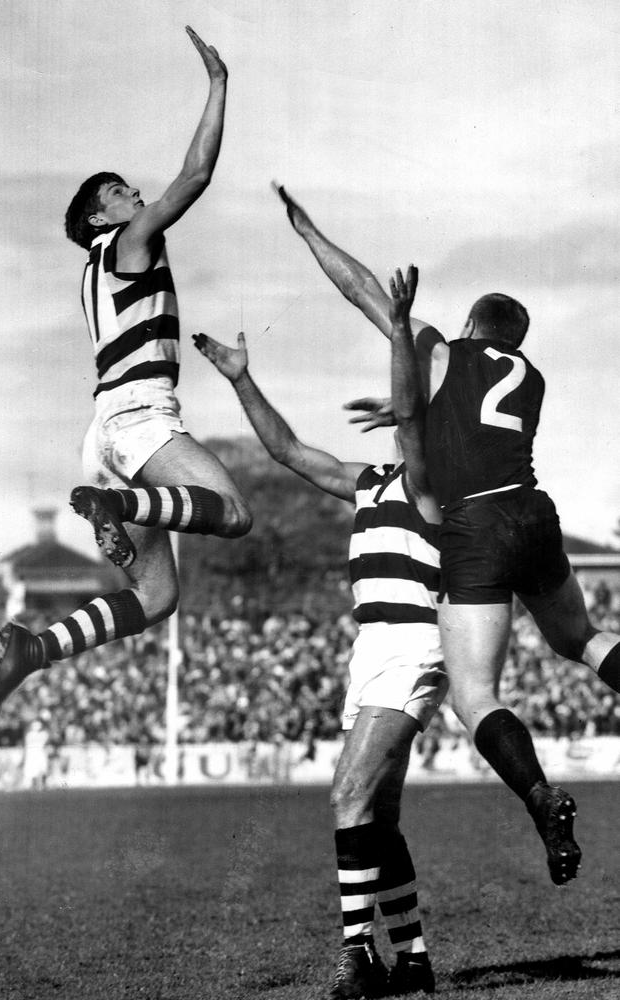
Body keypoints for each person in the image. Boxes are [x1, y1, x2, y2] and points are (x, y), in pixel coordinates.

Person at [273, 186, 620, 885]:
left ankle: (542, 798)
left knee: (476, 695)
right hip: (534, 511)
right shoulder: (531, 374)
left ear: (468, 323)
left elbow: (362, 289)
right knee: (581, 638)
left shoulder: (444, 349)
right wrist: (413, 411)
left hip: (479, 528)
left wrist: (310, 233)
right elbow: (463, 423)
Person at [0, 27, 252, 722]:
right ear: (102, 214)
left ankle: (31, 652)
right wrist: (218, 86)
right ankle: (120, 507)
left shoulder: (90, 274)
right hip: (139, 417)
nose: (137, 193)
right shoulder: (130, 242)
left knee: (157, 599)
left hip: (103, 431)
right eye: (122, 191)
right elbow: (194, 178)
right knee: (237, 513)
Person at [194, 266, 445, 998]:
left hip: (410, 646)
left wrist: (398, 329)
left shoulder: (432, 485)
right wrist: (243, 381)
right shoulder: (368, 481)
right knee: (379, 814)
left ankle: (357, 957)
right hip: (373, 649)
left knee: (346, 795)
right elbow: (287, 452)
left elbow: (408, 413)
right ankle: (416, 961)